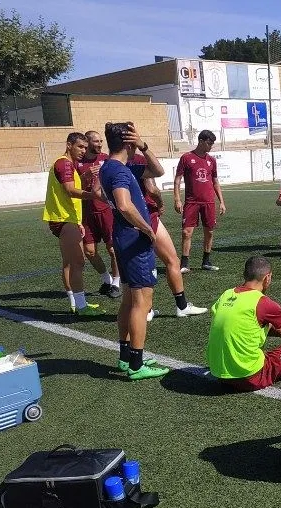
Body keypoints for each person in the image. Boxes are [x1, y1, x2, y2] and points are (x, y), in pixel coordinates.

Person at [99, 122, 169, 380]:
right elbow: (125, 205)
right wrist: (147, 229)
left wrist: (144, 147)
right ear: (128, 142)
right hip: (134, 241)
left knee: (129, 300)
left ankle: (125, 357)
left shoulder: (113, 166)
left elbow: (158, 171)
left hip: (123, 239)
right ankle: (137, 365)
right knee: (142, 303)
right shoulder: (119, 171)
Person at [126, 126, 207, 320]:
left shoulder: (108, 164)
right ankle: (180, 306)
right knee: (171, 261)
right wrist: (160, 203)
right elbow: (152, 189)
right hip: (147, 215)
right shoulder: (137, 160)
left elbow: (98, 193)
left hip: (125, 221)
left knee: (136, 265)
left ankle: (146, 309)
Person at [206, 256, 281, 391]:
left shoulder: (226, 294)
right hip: (249, 377)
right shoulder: (261, 302)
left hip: (219, 374)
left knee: (267, 324)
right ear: (267, 278)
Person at [41, 132, 102, 316]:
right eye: (80, 147)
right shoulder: (65, 163)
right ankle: (81, 306)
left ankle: (75, 303)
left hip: (68, 218)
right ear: (69, 145)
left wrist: (78, 221)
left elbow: (67, 190)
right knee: (78, 262)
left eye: (85, 147)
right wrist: (95, 195)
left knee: (69, 263)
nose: (84, 151)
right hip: (63, 218)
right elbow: (69, 190)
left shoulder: (68, 164)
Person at [76, 131, 121, 299]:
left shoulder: (106, 159)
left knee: (112, 249)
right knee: (89, 251)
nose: (100, 144)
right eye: (96, 141)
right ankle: (107, 279)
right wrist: (85, 176)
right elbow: (71, 186)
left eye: (101, 141)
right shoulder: (77, 162)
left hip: (106, 211)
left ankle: (116, 283)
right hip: (86, 213)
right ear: (87, 142)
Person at [174, 130, 226, 273]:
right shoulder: (186, 158)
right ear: (201, 141)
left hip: (208, 202)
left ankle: (206, 261)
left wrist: (221, 201)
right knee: (186, 232)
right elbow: (177, 180)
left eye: (212, 144)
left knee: (209, 231)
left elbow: (215, 182)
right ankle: (184, 263)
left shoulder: (211, 161)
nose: (211, 146)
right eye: (209, 143)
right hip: (191, 202)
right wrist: (177, 199)